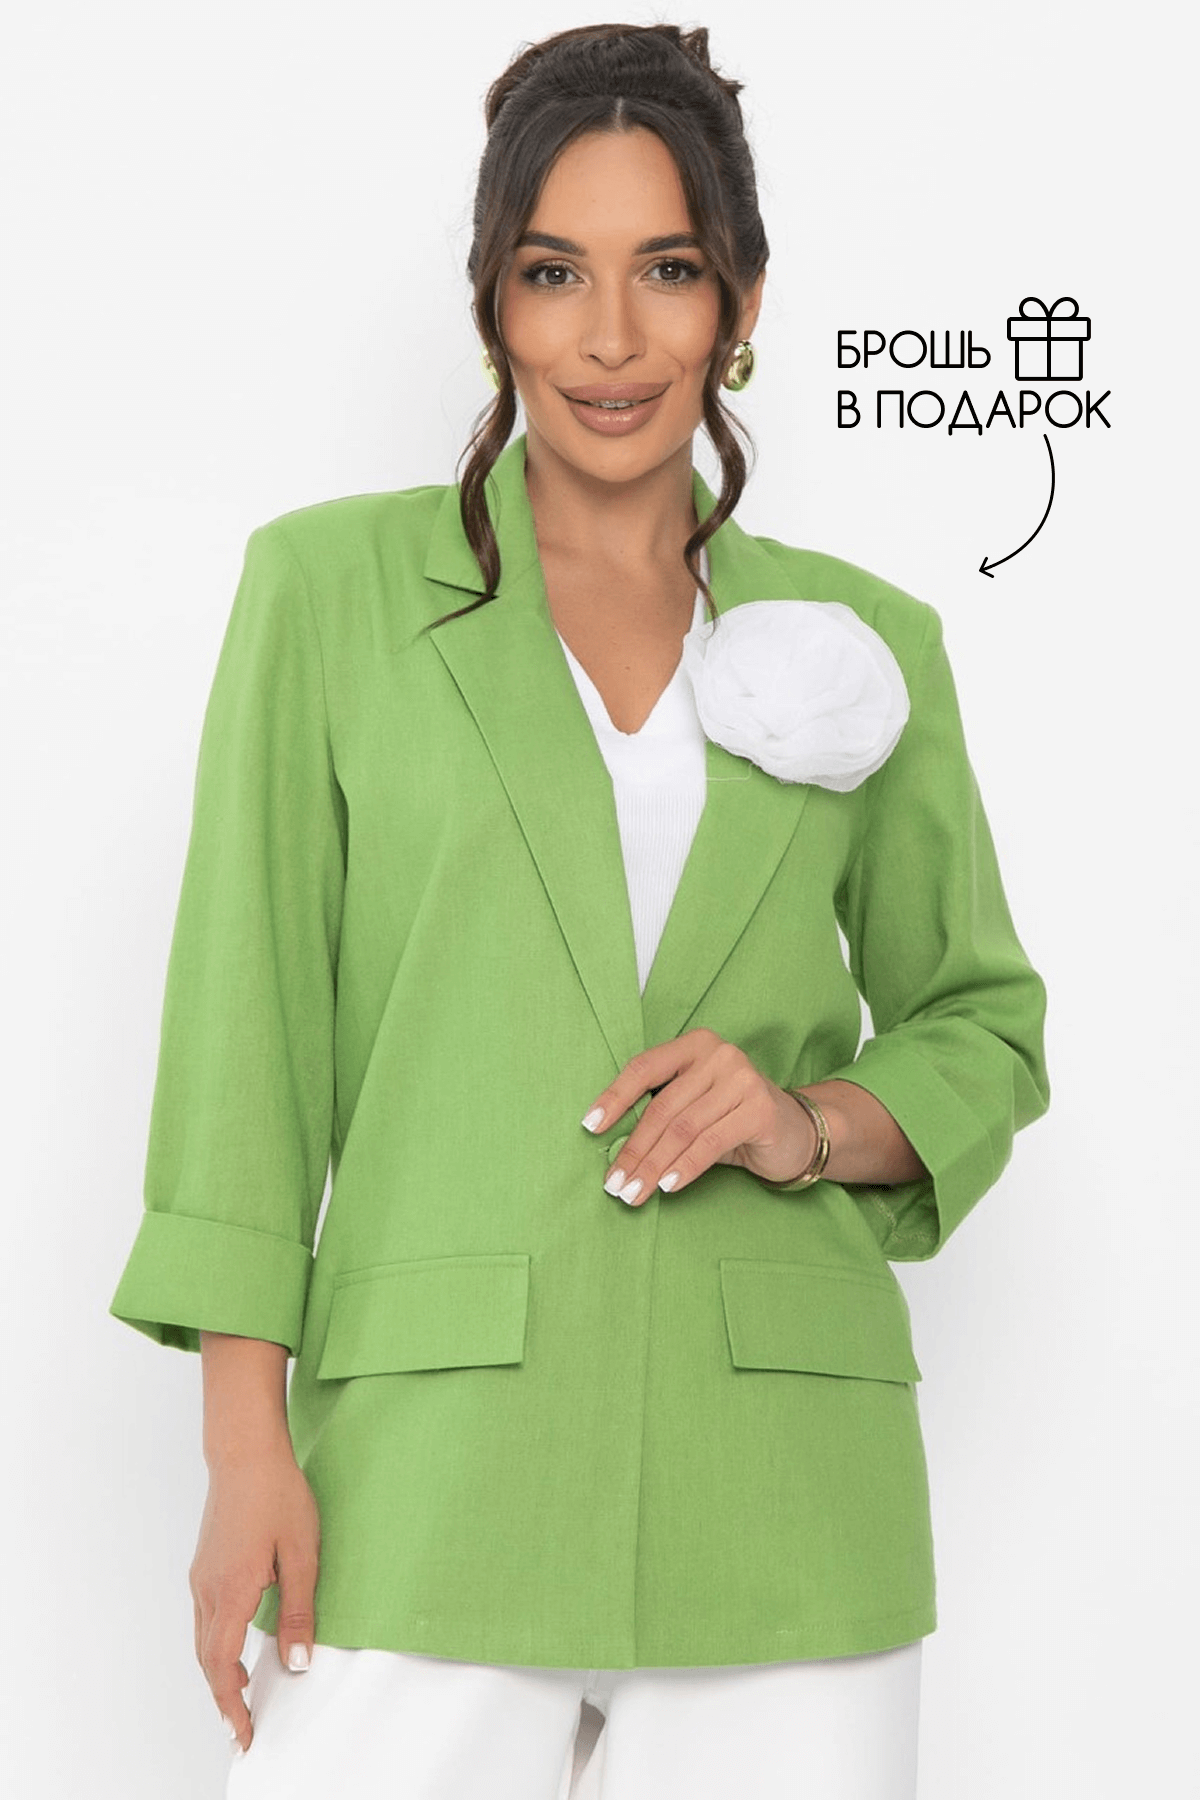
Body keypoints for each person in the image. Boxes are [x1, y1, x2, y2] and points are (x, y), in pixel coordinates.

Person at [109, 22, 1049, 1800]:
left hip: (789, 1495)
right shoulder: (325, 595)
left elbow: (983, 1025)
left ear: (741, 301)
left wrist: (804, 1120)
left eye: (667, 271)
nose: (611, 337)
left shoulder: (876, 642)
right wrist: (244, 1447)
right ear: (493, 303)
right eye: (554, 273)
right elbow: (248, 1043)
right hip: (429, 1469)